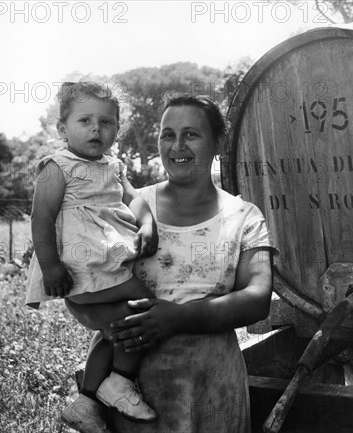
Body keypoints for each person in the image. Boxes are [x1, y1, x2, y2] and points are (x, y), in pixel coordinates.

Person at [68, 92, 274, 432]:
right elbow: (80, 280)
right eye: (168, 135)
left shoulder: (244, 216)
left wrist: (178, 318)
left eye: (191, 134)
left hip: (213, 386)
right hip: (130, 391)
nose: (177, 146)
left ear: (218, 143)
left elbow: (258, 298)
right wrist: (111, 322)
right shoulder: (125, 207)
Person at [26, 81, 160, 433]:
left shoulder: (113, 167)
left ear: (117, 128)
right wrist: (51, 265)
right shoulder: (58, 166)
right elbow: (41, 219)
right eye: (84, 121)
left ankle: (87, 401)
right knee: (144, 310)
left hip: (104, 265)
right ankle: (119, 381)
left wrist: (147, 224)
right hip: (79, 268)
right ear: (62, 128)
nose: (96, 129)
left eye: (106, 122)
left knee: (117, 328)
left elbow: (135, 199)